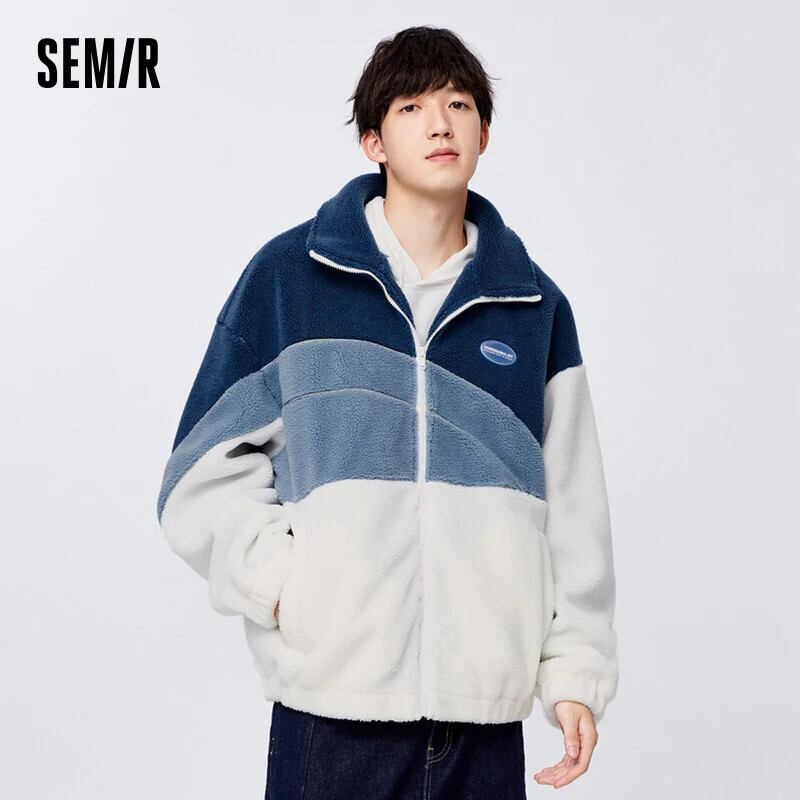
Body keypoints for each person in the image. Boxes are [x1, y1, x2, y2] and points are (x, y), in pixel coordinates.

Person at [156, 25, 619, 798]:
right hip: (331, 719)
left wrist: (575, 673)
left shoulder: (533, 307)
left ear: (485, 133)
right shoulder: (289, 280)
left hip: (482, 725)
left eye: (458, 104)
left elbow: (575, 510)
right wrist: (287, 587)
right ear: (373, 141)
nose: (439, 123)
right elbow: (197, 475)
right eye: (411, 107)